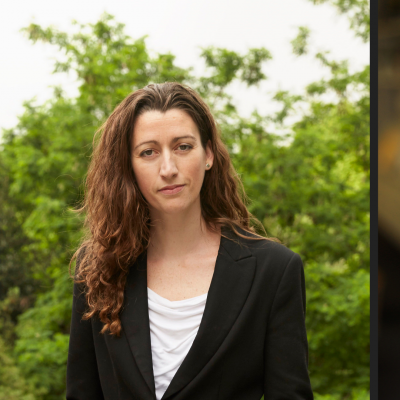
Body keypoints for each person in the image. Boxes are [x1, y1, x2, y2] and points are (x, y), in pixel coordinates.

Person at [66, 82, 313, 399]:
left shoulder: (274, 270)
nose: (168, 169)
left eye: (183, 147)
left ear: (208, 154)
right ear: (129, 166)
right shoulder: (99, 267)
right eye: (148, 152)